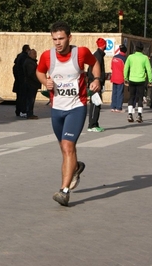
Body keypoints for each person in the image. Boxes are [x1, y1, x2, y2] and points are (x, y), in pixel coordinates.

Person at [36, 21, 101, 207]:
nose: (58, 42)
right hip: (57, 109)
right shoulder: (47, 56)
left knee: (67, 145)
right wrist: (45, 82)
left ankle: (64, 191)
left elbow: (94, 62)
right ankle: (76, 167)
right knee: (65, 150)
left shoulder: (80, 53)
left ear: (69, 38)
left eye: (61, 38)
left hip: (76, 107)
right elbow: (39, 72)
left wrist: (96, 78)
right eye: (54, 39)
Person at [124, 42, 152, 123]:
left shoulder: (130, 57)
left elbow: (126, 68)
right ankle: (139, 115)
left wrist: (125, 78)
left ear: (135, 49)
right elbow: (149, 70)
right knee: (140, 97)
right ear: (142, 50)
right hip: (141, 80)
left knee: (131, 96)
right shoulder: (145, 58)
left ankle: (130, 114)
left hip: (132, 79)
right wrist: (150, 81)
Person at [87, 38, 106, 132]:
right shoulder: (97, 56)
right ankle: (92, 125)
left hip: (96, 83)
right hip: (95, 83)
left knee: (97, 104)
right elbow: (93, 70)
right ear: (104, 45)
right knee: (95, 104)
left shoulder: (98, 55)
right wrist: (96, 81)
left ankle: (95, 123)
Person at [12, 44, 31, 117]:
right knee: (23, 97)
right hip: (22, 82)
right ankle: (23, 111)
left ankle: (18, 111)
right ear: (26, 50)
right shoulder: (24, 58)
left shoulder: (18, 59)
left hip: (18, 81)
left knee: (19, 97)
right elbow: (25, 70)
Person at [23, 49, 41, 119]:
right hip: (31, 84)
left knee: (31, 99)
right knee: (30, 99)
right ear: (30, 54)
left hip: (32, 83)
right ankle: (29, 113)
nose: (35, 55)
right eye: (34, 54)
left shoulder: (31, 62)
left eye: (36, 54)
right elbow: (31, 74)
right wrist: (39, 79)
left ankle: (30, 112)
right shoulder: (29, 62)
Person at [110, 44, 127, 112]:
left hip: (114, 77)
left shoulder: (114, 57)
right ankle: (118, 107)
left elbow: (111, 67)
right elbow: (125, 69)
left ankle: (113, 107)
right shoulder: (124, 59)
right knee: (120, 93)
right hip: (120, 78)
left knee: (114, 92)